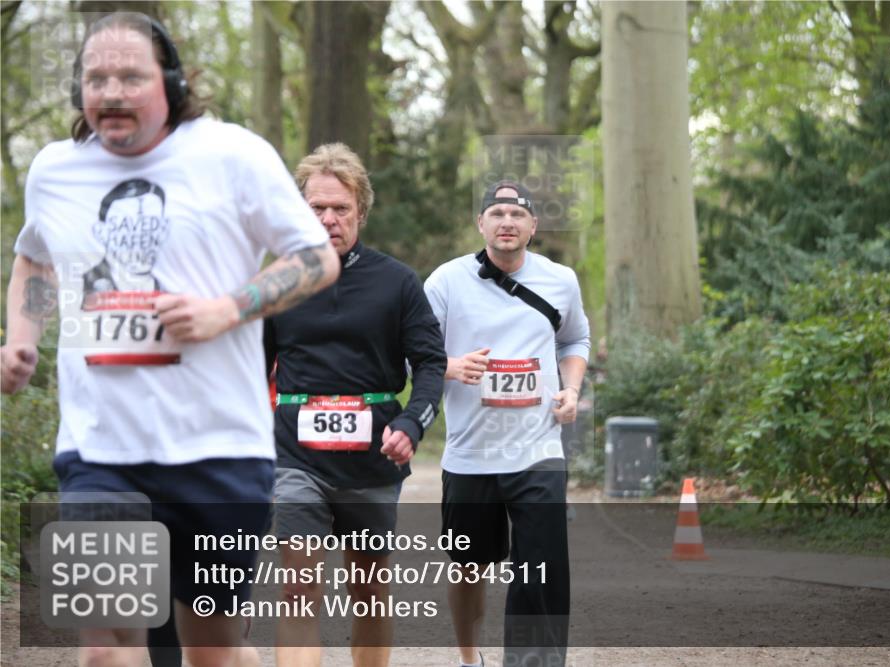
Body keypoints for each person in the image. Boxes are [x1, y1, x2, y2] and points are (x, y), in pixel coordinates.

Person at [0, 12, 340, 667]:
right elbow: (36, 259)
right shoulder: (54, 170)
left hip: (220, 451)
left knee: (211, 651)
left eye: (131, 76)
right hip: (101, 451)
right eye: (96, 78)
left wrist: (227, 308)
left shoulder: (232, 156)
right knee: (106, 647)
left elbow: (316, 257)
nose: (112, 91)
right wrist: (22, 335)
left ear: (174, 82)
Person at [265, 143, 446, 667]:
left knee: (368, 594)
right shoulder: (279, 281)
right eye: (316, 208)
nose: (328, 219)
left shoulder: (398, 282)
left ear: (360, 212)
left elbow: (431, 364)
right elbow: (251, 370)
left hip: (372, 461)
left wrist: (413, 423)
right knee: (300, 588)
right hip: (296, 459)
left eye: (340, 209)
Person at [424, 181, 590, 667]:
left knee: (540, 567)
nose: (507, 222)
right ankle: (467, 655)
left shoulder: (561, 279)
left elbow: (575, 340)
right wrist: (450, 366)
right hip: (470, 453)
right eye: (496, 213)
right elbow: (416, 353)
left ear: (533, 227)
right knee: (468, 566)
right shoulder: (445, 282)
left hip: (538, 449)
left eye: (517, 215)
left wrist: (572, 390)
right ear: (481, 224)